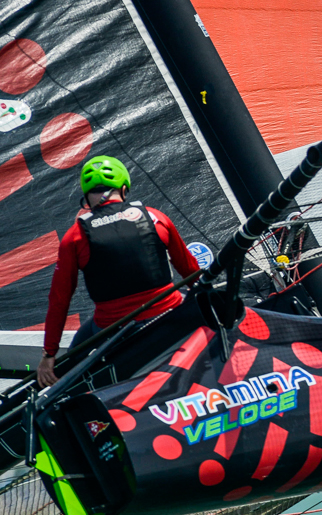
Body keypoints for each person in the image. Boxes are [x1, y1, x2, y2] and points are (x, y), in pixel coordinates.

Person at [39, 156, 204, 386]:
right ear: (124, 189)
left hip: (112, 327)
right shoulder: (155, 217)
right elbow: (190, 271)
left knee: (75, 353)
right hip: (167, 312)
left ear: (86, 196)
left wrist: (49, 353)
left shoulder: (75, 237)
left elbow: (59, 300)